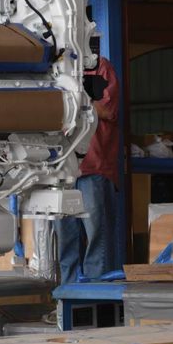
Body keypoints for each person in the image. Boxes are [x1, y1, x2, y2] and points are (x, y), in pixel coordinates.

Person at [56, 56, 120, 285]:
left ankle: (97, 297)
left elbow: (107, 110)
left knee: (97, 240)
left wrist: (69, 95)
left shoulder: (99, 66)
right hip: (60, 170)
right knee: (66, 242)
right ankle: (69, 298)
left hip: (93, 168)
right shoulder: (53, 66)